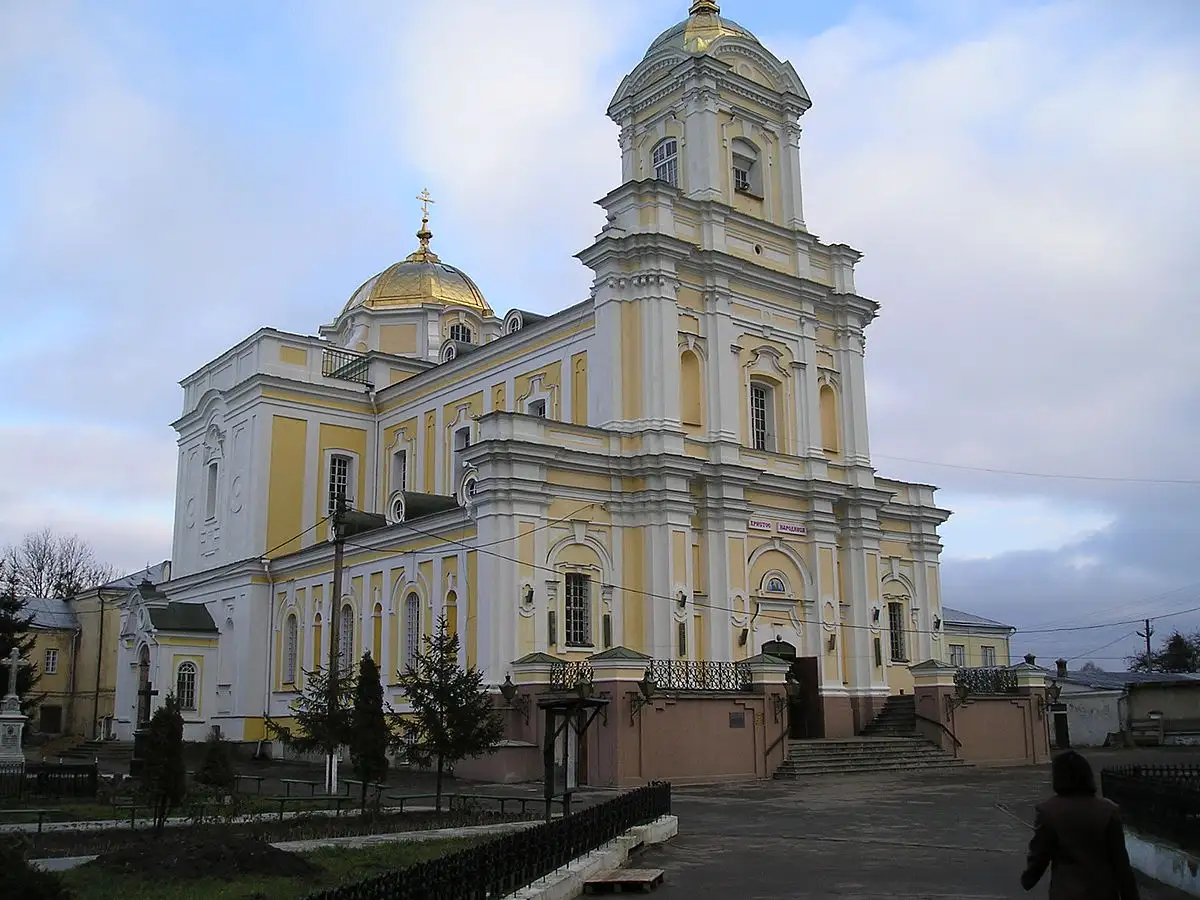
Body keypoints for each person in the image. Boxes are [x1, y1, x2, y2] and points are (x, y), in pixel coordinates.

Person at [1021, 749, 1140, 900]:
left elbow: (1040, 852)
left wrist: (1029, 878)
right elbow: (1120, 862)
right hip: (1103, 892)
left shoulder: (1049, 811)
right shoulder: (1108, 810)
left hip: (1066, 892)